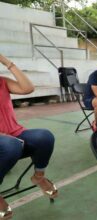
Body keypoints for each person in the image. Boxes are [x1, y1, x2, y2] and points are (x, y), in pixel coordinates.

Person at [0, 54, 57, 219]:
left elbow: (27, 88)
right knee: (11, 145)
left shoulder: (2, 81)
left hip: (15, 133)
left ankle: (38, 177)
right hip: (8, 143)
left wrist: (7, 62)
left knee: (45, 137)